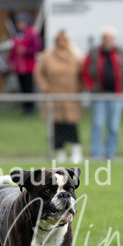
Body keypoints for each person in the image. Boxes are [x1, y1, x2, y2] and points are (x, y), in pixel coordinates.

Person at [81, 26, 123, 160]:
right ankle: (96, 154)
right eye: (105, 38)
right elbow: (85, 70)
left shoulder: (121, 52)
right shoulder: (94, 53)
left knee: (113, 126)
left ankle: (110, 154)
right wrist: (90, 85)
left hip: (116, 94)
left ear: (114, 39)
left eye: (110, 38)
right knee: (97, 124)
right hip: (99, 95)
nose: (107, 40)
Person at [34, 29, 84, 164]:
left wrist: (80, 88)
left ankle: (76, 150)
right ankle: (59, 151)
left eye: (64, 40)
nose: (61, 42)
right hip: (54, 97)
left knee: (71, 124)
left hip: (71, 96)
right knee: (56, 125)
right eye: (59, 40)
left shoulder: (76, 56)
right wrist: (45, 87)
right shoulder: (47, 56)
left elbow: (82, 74)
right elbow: (39, 73)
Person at [7, 12, 42, 116]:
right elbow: (13, 51)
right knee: (22, 88)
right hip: (19, 67)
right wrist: (9, 61)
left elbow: (36, 49)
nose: (20, 25)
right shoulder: (16, 35)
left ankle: (30, 109)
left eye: (22, 22)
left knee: (29, 88)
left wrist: (25, 50)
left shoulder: (32, 34)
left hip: (29, 67)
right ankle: (25, 108)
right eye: (18, 23)